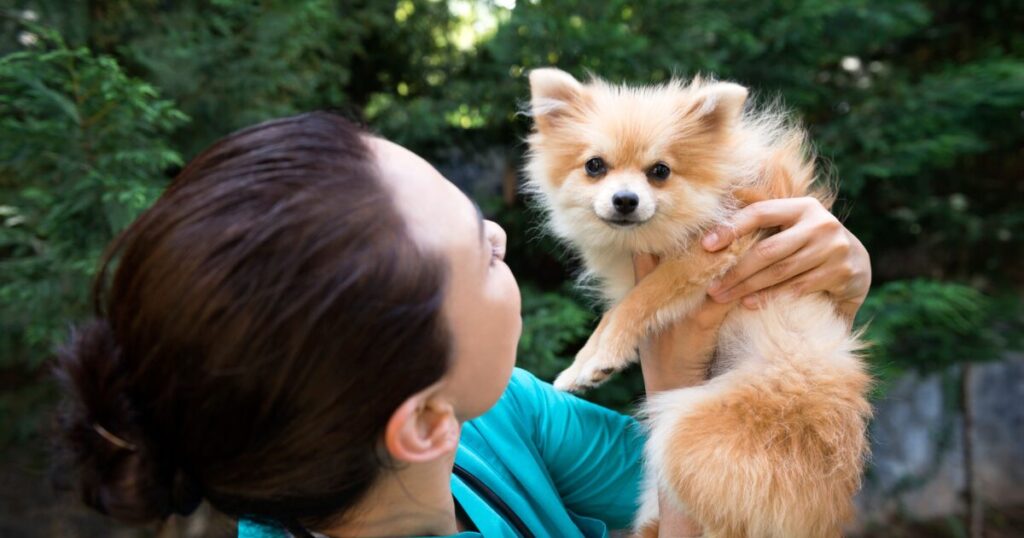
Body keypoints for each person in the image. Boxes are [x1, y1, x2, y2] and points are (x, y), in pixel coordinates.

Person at [53, 112, 871, 537]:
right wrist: (668, 369)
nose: (502, 234)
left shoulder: (488, 417)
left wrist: (801, 310)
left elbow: (755, 506)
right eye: (479, 259)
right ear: (420, 420)